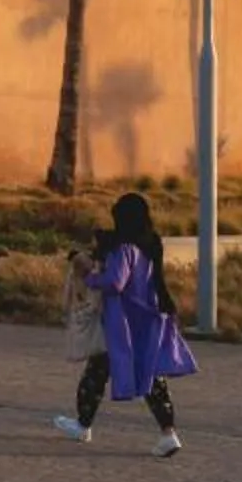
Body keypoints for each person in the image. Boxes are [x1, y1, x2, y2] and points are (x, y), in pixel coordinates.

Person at [53, 192, 197, 457]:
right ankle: (168, 433)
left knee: (96, 371)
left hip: (125, 324)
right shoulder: (151, 244)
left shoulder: (124, 249)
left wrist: (90, 277)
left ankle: (82, 425)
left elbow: (115, 282)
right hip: (149, 317)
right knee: (151, 378)